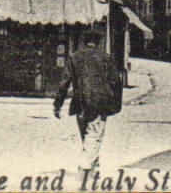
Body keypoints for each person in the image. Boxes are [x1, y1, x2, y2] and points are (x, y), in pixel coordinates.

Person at [53, 32, 126, 174]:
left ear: (84, 42)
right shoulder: (105, 58)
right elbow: (116, 81)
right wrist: (117, 103)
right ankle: (85, 167)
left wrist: (58, 104)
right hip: (100, 103)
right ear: (98, 43)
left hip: (80, 103)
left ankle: (93, 170)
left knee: (87, 136)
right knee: (94, 136)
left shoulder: (74, 57)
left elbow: (64, 83)